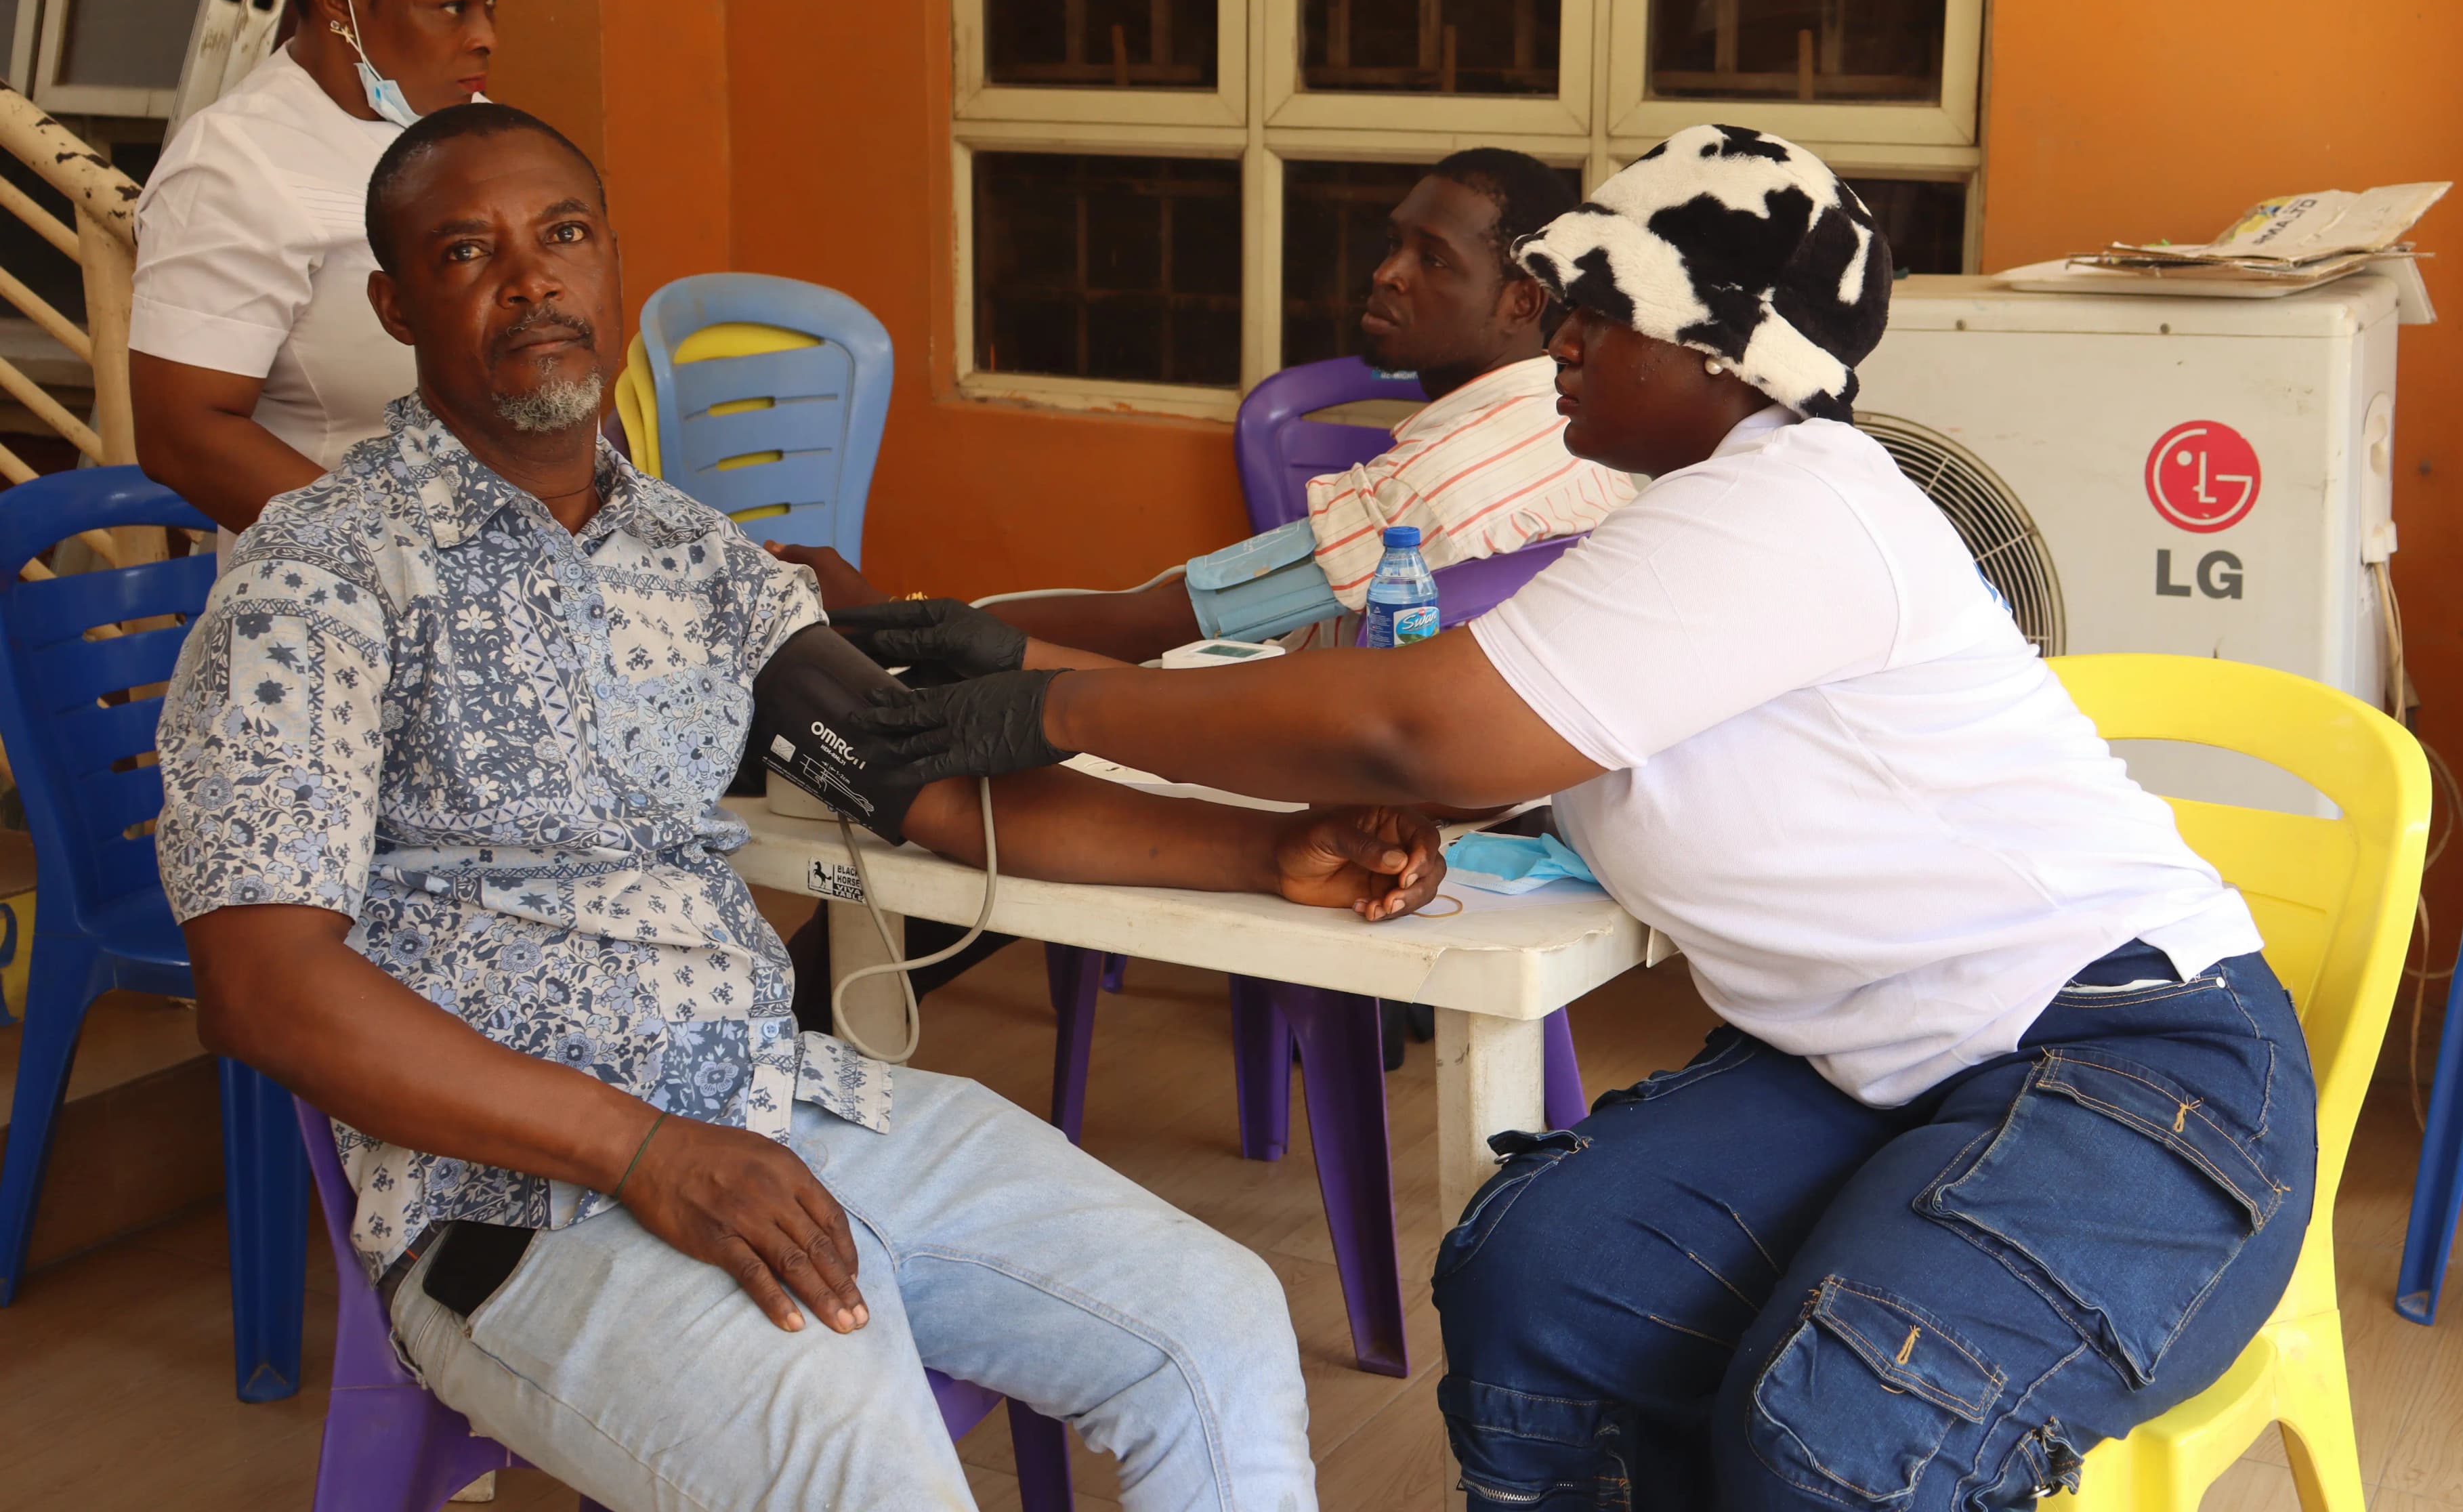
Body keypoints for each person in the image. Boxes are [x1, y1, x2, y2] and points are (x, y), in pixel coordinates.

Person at [833, 126, 2321, 1510]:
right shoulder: (1666, 517)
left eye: (1601, 314)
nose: (1559, 340)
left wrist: (1062, 709)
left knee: (1841, 1428)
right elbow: (1457, 744)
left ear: (1720, 349)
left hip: (2124, 1056)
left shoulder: (1794, 503)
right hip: (1865, 1067)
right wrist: (1034, 663)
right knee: (1539, 1278)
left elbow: (1418, 727)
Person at [157, 102, 1447, 1511]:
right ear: (397, 306)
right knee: (868, 1473)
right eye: (469, 252)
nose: (531, 281)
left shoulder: (697, 556)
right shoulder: (318, 577)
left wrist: (1269, 849)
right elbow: (262, 987)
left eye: (564, 235)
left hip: (785, 1102)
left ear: (615, 269)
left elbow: (917, 776)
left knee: (1216, 1319)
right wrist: (643, 1148)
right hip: (520, 1198)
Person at [775, 148, 1637, 665]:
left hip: (1325, 771)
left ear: (1523, 301)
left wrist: (883, 613)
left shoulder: (1431, 483)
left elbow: (1155, 623)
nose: (1386, 274)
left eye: (1433, 259)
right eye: (1391, 244)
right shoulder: (1579, 439)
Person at [131, 0, 501, 556]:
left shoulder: (466, 127)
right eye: (455, 7)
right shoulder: (233, 169)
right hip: (342, 593)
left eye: (492, 4)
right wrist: (402, 563)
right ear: (339, 3)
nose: (486, 36)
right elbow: (184, 432)